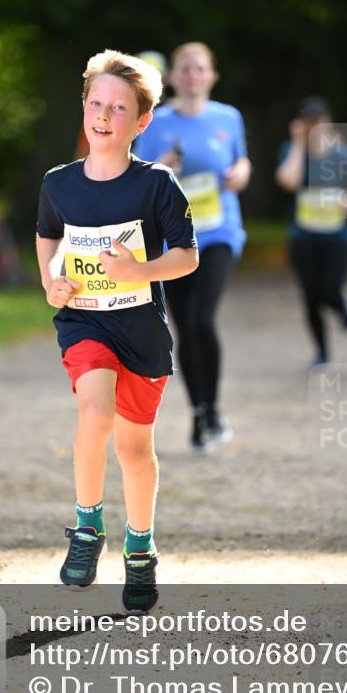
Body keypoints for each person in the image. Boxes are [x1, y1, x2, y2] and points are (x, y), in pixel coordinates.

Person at [36, 49, 198, 613]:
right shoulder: (59, 184)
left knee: (133, 449)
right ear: (84, 108)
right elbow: (48, 238)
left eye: (119, 108)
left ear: (141, 121)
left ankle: (140, 548)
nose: (104, 116)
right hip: (84, 322)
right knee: (94, 412)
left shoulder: (156, 186)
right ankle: (86, 527)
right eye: (96, 104)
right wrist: (49, 282)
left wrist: (141, 272)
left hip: (140, 329)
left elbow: (187, 257)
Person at [134, 41, 250, 451]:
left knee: (203, 318)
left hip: (218, 233)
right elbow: (139, 185)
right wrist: (163, 170)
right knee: (184, 329)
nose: (192, 75)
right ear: (172, 77)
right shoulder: (153, 125)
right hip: (173, 240)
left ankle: (213, 407)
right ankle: (201, 414)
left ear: (211, 76)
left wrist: (240, 172)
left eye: (200, 68)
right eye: (185, 68)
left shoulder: (228, 118)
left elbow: (242, 162)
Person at [276, 97, 347, 367]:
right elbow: (288, 181)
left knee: (328, 290)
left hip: (336, 237)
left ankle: (342, 305)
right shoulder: (292, 151)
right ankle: (322, 352)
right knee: (310, 297)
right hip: (303, 237)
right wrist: (297, 144)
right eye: (310, 123)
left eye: (320, 122)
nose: (316, 128)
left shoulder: (342, 154)